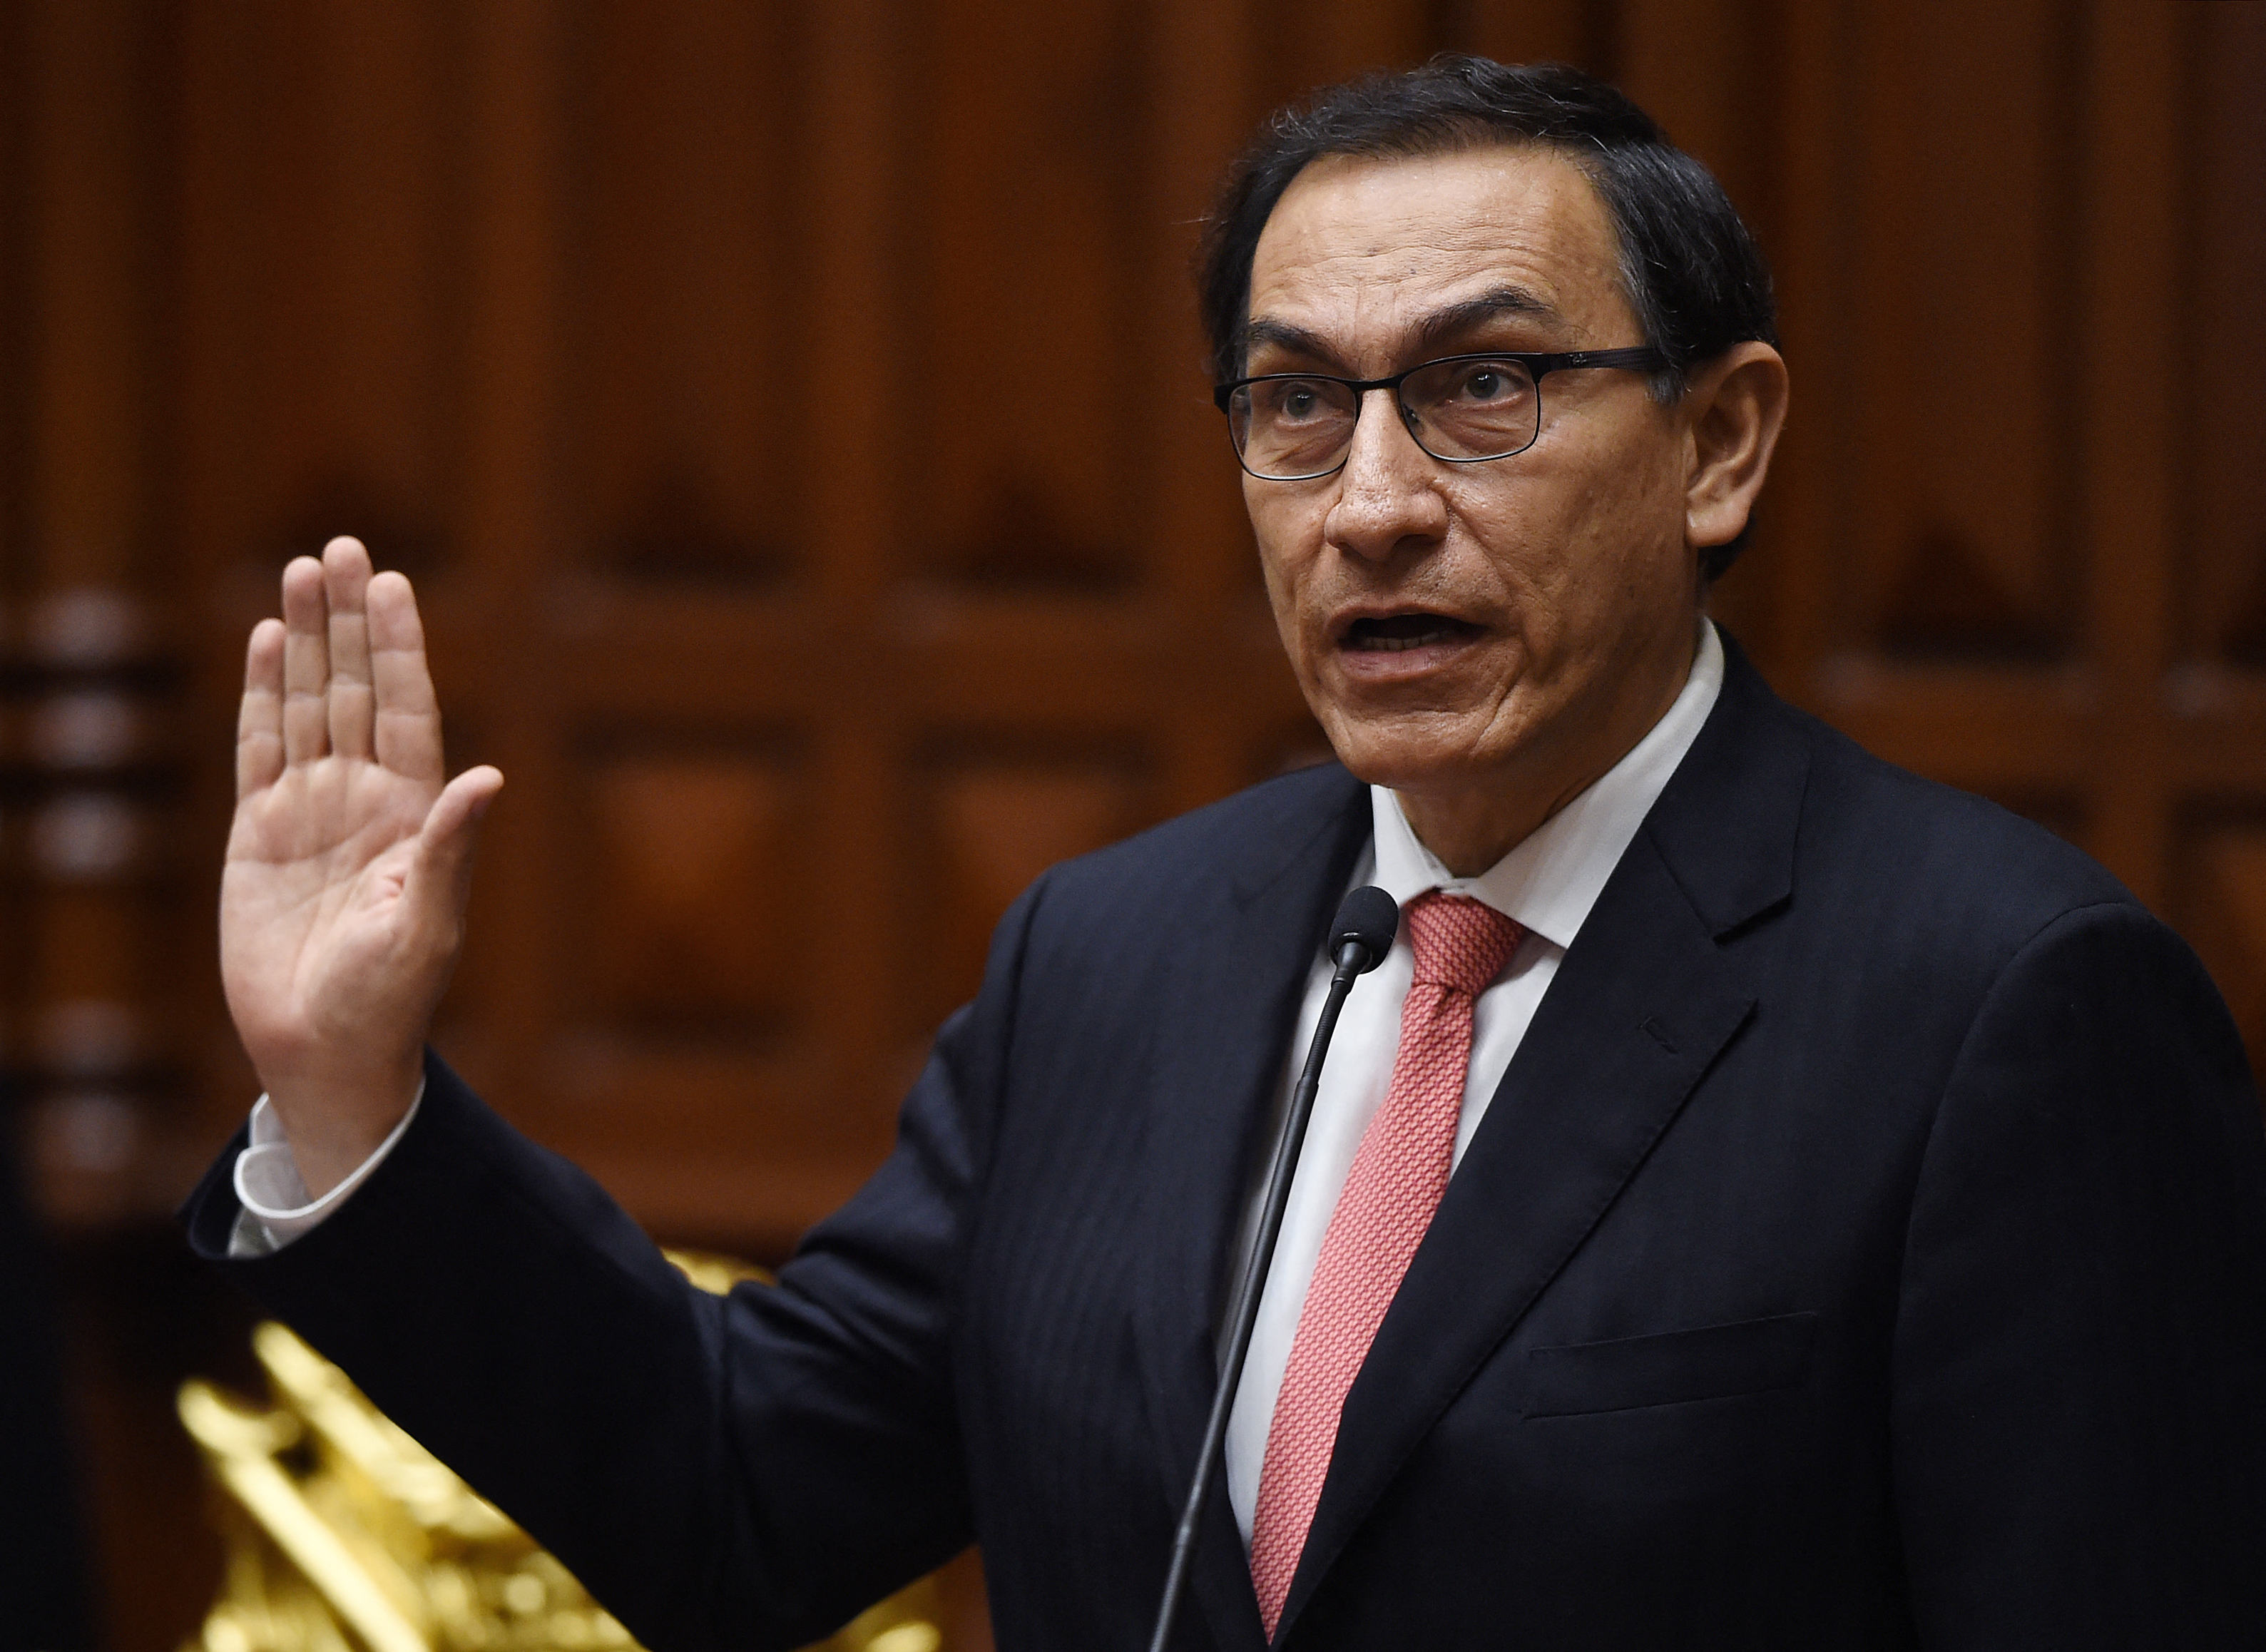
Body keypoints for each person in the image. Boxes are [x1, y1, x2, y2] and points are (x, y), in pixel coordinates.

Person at [183, 56, 2266, 1651]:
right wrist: (347, 1091)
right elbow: (739, 1497)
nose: (1366, 500)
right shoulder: (1118, 955)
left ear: (1717, 443)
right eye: (1293, 406)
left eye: (1482, 390)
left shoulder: (2001, 1007)